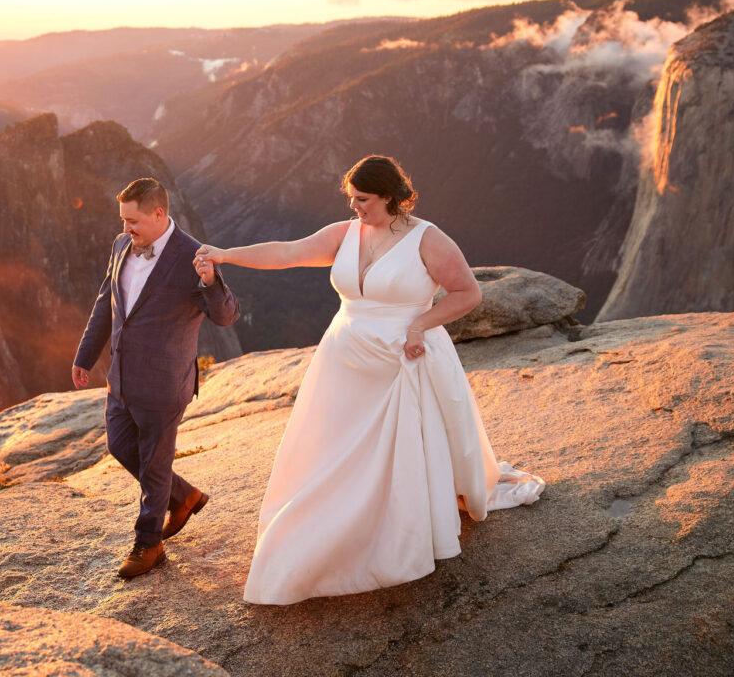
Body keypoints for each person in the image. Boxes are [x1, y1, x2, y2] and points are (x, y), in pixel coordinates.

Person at [194, 155, 544, 605]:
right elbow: (287, 252)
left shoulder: (428, 239)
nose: (355, 207)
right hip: (345, 359)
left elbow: (468, 293)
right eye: (351, 199)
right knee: (335, 448)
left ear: (390, 197)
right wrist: (226, 255)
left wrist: (420, 325)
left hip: (403, 359)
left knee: (398, 450)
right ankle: (331, 525)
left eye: (363, 200)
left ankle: (395, 528)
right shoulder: (346, 234)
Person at [73, 177, 240, 579]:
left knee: (155, 459)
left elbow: (226, 315)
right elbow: (105, 303)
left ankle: (148, 544)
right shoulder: (120, 245)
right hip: (121, 377)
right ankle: (183, 497)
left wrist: (210, 281)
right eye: (123, 221)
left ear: (159, 214)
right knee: (120, 446)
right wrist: (85, 355)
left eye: (132, 221)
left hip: (165, 382)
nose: (125, 228)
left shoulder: (193, 256)